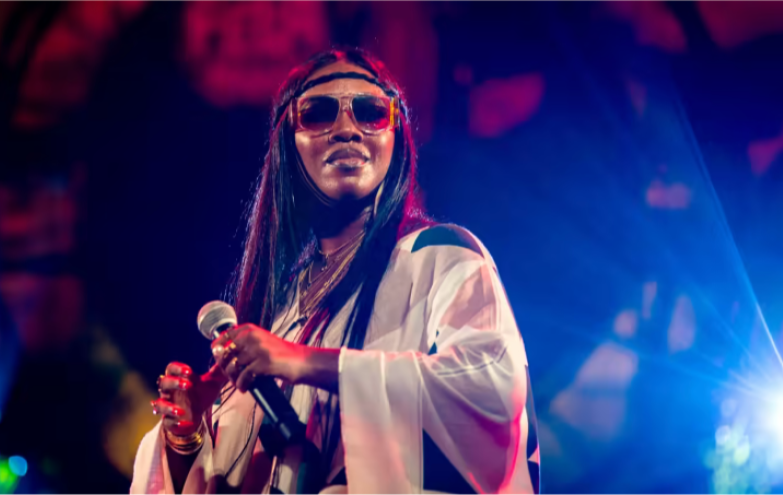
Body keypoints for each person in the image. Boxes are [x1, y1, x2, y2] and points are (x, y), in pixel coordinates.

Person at [131, 48, 540, 495]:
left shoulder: (438, 255)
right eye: (318, 113)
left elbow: (489, 390)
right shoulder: (283, 315)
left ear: (396, 137)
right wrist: (188, 437)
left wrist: (301, 362)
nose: (347, 129)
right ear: (288, 145)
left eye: (370, 112)